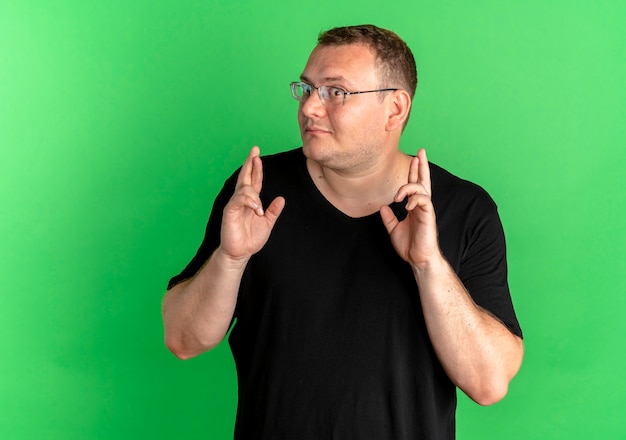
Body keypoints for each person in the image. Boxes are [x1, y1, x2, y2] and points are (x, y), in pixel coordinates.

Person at [162, 24, 523, 439]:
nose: (310, 108)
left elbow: (489, 382)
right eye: (307, 88)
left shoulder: (465, 210)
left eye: (336, 92)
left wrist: (428, 265)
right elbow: (182, 340)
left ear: (395, 109)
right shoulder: (256, 190)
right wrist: (231, 258)